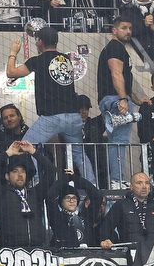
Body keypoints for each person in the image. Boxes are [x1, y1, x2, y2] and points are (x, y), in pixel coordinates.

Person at [6, 27, 93, 181]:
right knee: (79, 153)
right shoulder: (66, 60)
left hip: (52, 117)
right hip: (73, 116)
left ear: (40, 42)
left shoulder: (38, 61)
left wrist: (13, 52)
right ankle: (92, 187)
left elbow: (10, 72)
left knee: (26, 147)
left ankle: (35, 183)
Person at [97, 18, 149, 188]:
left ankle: (117, 178)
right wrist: (123, 100)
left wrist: (135, 99)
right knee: (119, 141)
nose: (128, 31)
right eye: (123, 28)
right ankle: (116, 180)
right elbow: (116, 74)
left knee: (117, 140)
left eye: (130, 28)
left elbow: (124, 81)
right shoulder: (115, 47)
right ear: (114, 30)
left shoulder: (117, 48)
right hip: (114, 99)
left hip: (114, 98)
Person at [0, 140, 47, 246]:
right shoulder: (1, 193)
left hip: (37, 248)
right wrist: (7, 153)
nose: (20, 175)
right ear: (7, 176)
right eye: (15, 171)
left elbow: (51, 171)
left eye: (23, 171)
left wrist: (33, 152)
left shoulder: (35, 193)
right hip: (10, 250)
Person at [99, 172, 154, 247]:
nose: (144, 186)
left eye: (147, 183)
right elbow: (105, 227)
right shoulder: (121, 205)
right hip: (129, 254)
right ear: (131, 187)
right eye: (139, 183)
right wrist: (107, 240)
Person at [46, 169, 104, 248]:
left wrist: (75, 178)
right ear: (61, 202)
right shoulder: (57, 218)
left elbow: (97, 196)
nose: (71, 200)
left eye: (74, 198)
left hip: (86, 257)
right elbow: (50, 196)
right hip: (64, 257)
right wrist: (65, 178)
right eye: (67, 198)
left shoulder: (86, 217)